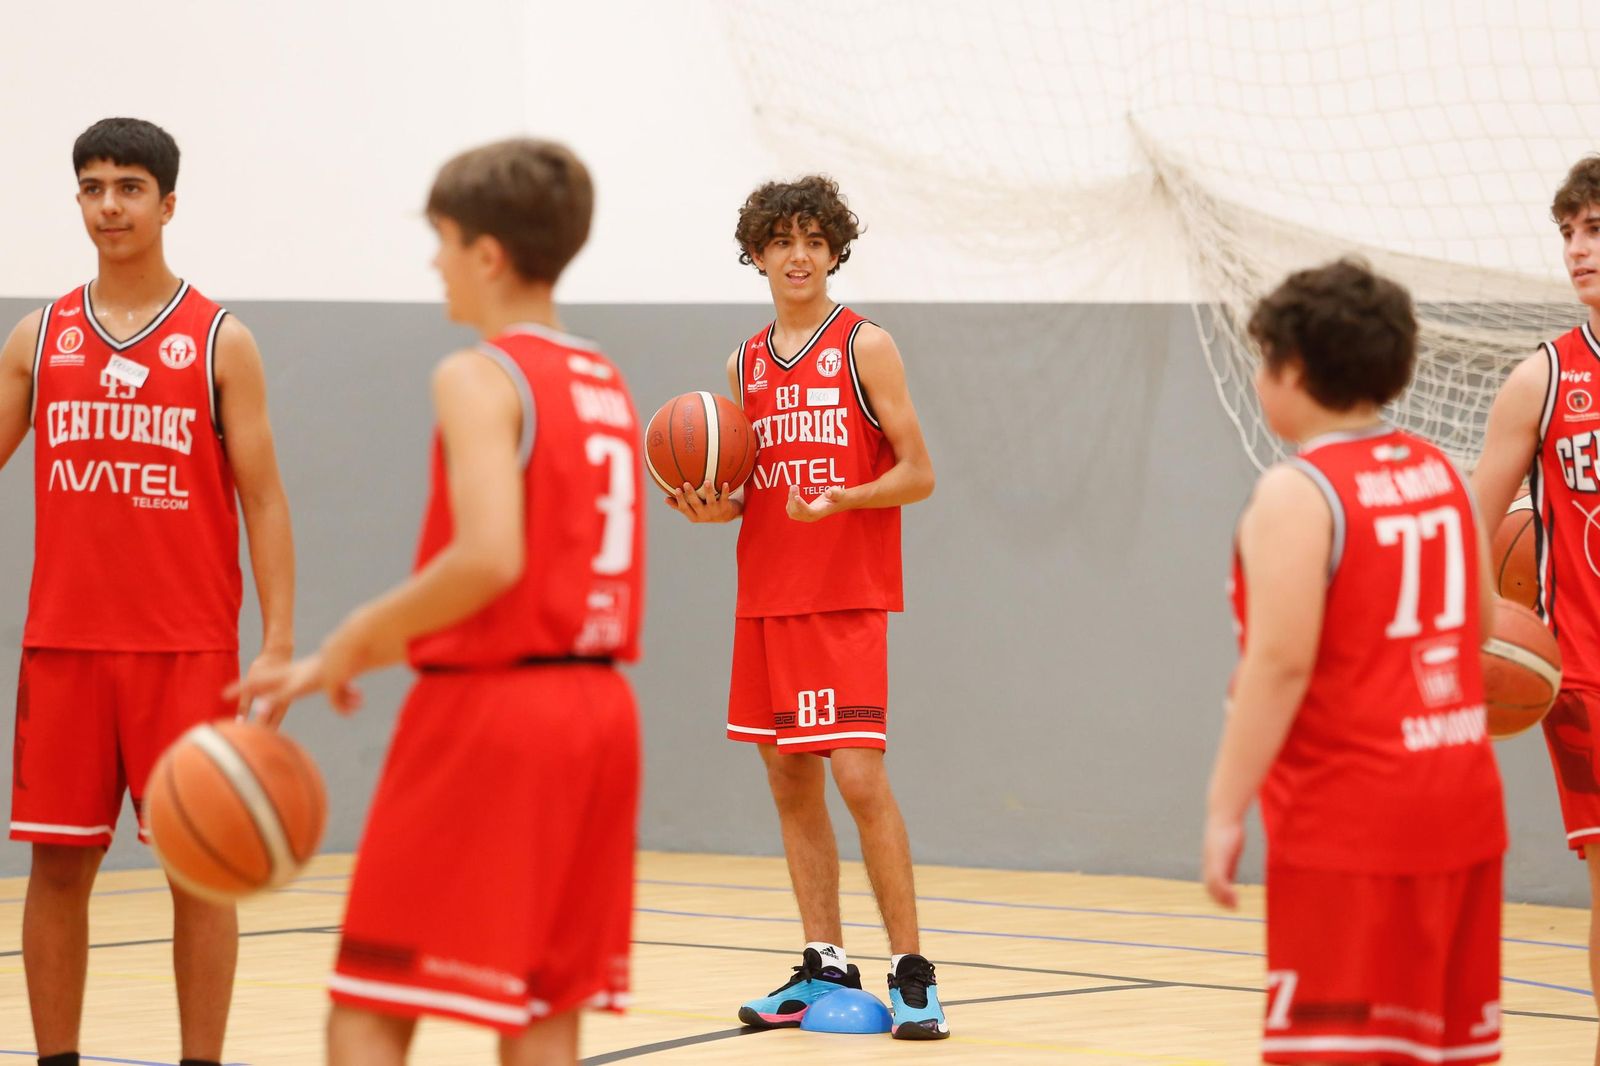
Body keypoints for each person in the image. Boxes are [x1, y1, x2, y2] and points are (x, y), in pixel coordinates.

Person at [234, 138, 642, 1066]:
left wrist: (354, 631)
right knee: (540, 1011)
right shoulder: (603, 380)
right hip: (600, 715)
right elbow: (531, 581)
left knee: (371, 1002)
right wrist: (347, 658)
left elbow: (491, 560)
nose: (436, 263)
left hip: (494, 715)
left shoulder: (477, 374)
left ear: (488, 254)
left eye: (444, 241)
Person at [0, 117, 296, 1066]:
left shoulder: (219, 340)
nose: (109, 205)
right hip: (67, 646)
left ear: (168, 204)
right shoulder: (37, 335)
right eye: (93, 187)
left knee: (200, 871)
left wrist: (279, 643)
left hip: (188, 653)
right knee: (56, 869)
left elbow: (264, 499)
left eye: (129, 187)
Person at [1202, 260, 1504, 1065]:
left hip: (1353, 823)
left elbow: (1279, 665)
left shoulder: (1299, 493)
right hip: (1463, 804)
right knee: (1440, 1052)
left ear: (1293, 368)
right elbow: (1480, 626)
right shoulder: (1443, 471)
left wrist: (1225, 809)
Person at [668, 175, 946, 1039]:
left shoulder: (866, 346)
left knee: (859, 779)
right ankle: (823, 960)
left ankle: (912, 971)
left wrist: (846, 498)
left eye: (815, 241)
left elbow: (920, 472)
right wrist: (714, 506)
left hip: (845, 598)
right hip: (766, 599)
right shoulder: (742, 365)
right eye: (782, 241)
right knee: (790, 782)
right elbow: (749, 489)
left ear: (834, 252)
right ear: (757, 254)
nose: (799, 256)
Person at [1472, 154, 1600, 1066]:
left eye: (1594, 228)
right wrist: (1491, 639)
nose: (1577, 250)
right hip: (1590, 678)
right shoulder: (1545, 380)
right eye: (1567, 232)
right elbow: (1471, 530)